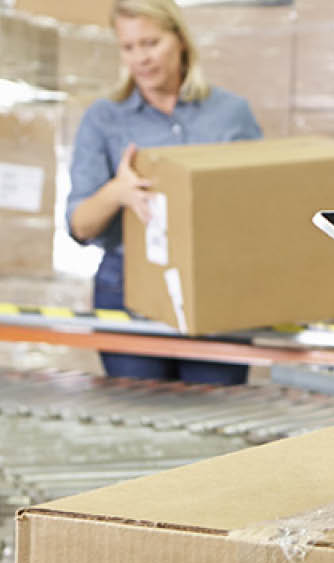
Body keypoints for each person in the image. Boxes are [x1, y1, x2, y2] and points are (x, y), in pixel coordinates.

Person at [67, 0, 261, 384]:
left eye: (151, 43)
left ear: (181, 40)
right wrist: (116, 192)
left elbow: (259, 206)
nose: (141, 58)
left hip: (216, 283)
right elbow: (79, 226)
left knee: (216, 420)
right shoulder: (104, 118)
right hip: (127, 285)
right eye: (129, 47)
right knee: (145, 425)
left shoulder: (230, 113)